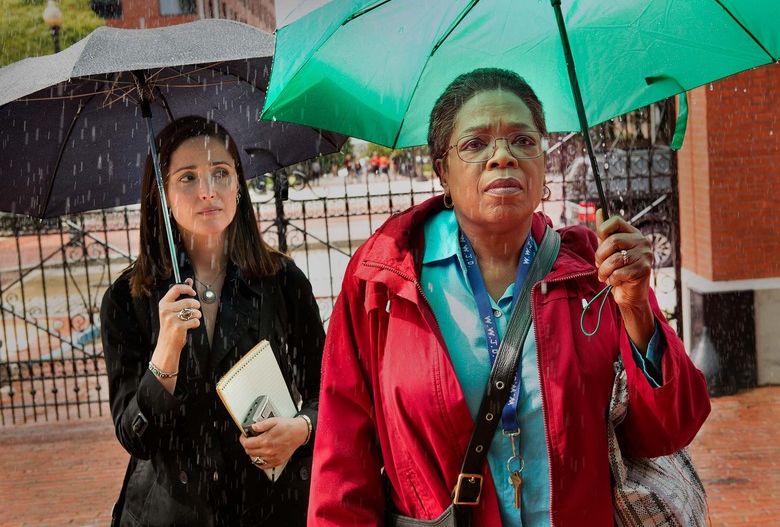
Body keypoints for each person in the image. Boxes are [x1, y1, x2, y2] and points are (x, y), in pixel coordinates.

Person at [308, 69, 710, 526]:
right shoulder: (382, 281)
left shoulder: (593, 274)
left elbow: (672, 428)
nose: (503, 156)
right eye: (476, 144)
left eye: (523, 140)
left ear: (543, 160)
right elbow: (343, 465)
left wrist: (637, 306)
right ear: (442, 169)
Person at [101, 116, 325, 526]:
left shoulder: (282, 282)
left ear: (239, 185)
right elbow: (136, 437)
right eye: (187, 178)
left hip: (270, 507)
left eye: (221, 173)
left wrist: (302, 428)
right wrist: (166, 350)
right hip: (171, 512)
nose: (208, 191)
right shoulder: (127, 300)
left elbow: (329, 389)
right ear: (163, 195)